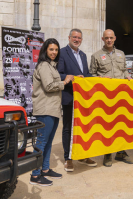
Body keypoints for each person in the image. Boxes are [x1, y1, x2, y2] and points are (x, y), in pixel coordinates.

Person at [30, 38, 74, 186]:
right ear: (45, 50)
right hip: (45, 109)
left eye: (56, 50)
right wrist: (65, 81)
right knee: (42, 141)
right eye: (51, 49)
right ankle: (35, 175)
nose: (54, 52)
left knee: (48, 142)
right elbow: (49, 86)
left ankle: (46, 169)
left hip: (53, 109)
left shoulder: (51, 66)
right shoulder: (43, 66)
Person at [90, 29, 133, 167]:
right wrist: (100, 78)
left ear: (115, 38)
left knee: (122, 125)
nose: (109, 40)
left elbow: (124, 70)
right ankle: (107, 154)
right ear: (103, 39)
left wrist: (127, 75)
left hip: (121, 97)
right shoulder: (96, 56)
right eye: (106, 38)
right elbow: (91, 75)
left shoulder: (121, 54)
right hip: (106, 98)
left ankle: (121, 152)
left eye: (111, 38)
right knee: (107, 126)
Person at [57, 29, 97, 172]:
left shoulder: (83, 55)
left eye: (79, 38)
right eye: (74, 37)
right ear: (69, 37)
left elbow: (86, 75)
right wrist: (71, 77)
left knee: (84, 127)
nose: (76, 39)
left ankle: (83, 155)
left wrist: (101, 79)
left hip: (83, 99)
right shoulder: (62, 53)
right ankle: (68, 158)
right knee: (68, 128)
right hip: (69, 97)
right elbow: (59, 74)